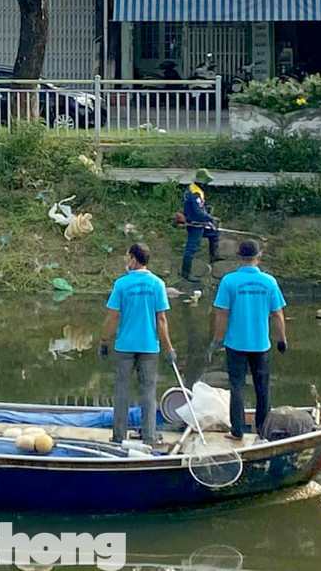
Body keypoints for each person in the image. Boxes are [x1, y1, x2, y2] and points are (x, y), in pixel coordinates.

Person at [99, 243, 175, 447]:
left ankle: (119, 436)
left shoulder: (122, 284)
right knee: (148, 392)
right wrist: (169, 348)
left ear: (134, 259)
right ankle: (149, 436)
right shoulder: (157, 284)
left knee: (121, 391)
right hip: (150, 346)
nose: (126, 261)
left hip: (125, 346)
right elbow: (161, 320)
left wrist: (104, 339)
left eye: (127, 257)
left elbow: (113, 316)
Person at [210, 240, 287, 441]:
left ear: (239, 257)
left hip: (235, 344)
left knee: (237, 386)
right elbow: (278, 314)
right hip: (261, 344)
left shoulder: (229, 281)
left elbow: (222, 314)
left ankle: (237, 431)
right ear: (258, 257)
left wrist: (217, 340)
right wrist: (282, 338)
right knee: (263, 387)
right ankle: (263, 431)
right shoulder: (269, 282)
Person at [179, 182, 219, 283]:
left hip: (200, 222)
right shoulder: (195, 194)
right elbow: (198, 212)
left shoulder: (192, 189)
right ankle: (185, 273)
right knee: (191, 248)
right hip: (195, 224)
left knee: (213, 234)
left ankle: (213, 258)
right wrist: (210, 219)